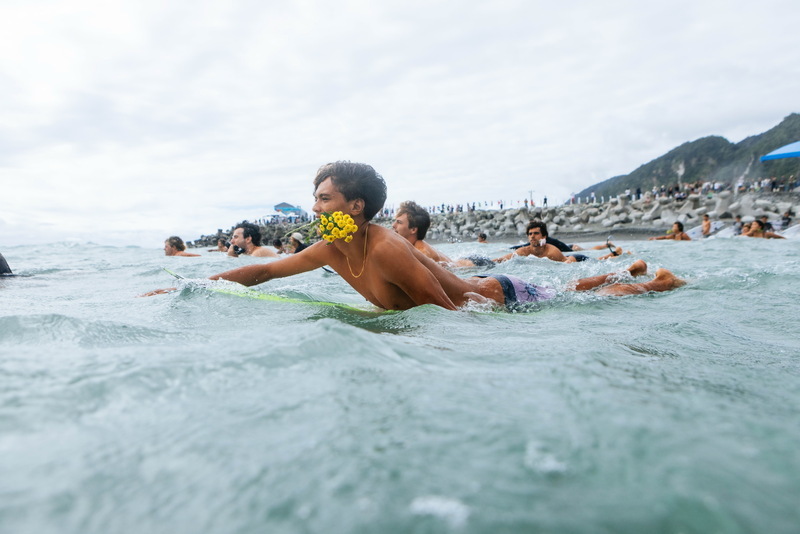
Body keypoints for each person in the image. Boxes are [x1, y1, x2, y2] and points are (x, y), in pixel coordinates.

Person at [143, 161, 685, 310]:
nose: (315, 207)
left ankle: (655, 280)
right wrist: (193, 287)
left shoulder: (384, 245)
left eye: (325, 198)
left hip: (499, 298)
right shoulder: (332, 247)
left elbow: (449, 311)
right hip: (488, 290)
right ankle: (623, 269)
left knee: (573, 301)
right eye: (315, 198)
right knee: (570, 294)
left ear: (356, 207)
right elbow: (260, 271)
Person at [392, 200, 493, 267]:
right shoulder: (412, 246)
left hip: (474, 264)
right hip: (464, 261)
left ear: (413, 229)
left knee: (497, 261)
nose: (393, 225)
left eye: (399, 222)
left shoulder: (421, 249)